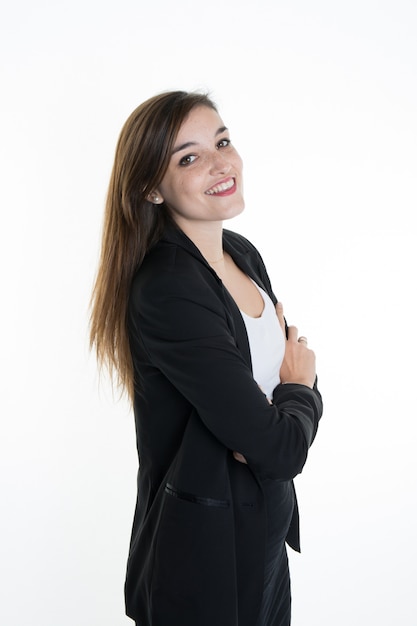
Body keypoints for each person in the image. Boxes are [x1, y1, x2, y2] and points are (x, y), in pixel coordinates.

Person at [90, 90, 323, 626]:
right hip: (205, 558)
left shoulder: (240, 252)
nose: (221, 163)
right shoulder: (168, 288)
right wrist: (294, 399)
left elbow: (293, 372)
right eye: (188, 157)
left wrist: (285, 404)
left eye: (222, 141)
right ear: (151, 187)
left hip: (262, 537)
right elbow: (282, 443)